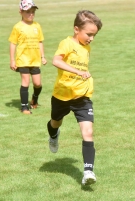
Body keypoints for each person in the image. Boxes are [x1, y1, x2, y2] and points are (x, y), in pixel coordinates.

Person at [47, 10, 102, 185]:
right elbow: (56, 61)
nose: (91, 38)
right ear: (76, 29)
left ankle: (88, 172)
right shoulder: (67, 44)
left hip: (82, 97)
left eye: (94, 35)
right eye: (89, 34)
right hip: (62, 95)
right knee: (55, 122)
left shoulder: (87, 48)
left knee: (88, 133)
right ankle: (54, 136)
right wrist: (78, 71)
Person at [8, 0, 47, 114]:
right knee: (25, 81)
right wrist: (12, 60)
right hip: (23, 59)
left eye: (33, 12)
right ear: (20, 12)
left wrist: (43, 56)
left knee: (37, 84)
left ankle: (34, 99)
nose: (31, 14)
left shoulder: (37, 25)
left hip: (35, 60)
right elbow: (13, 43)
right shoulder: (17, 27)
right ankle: (24, 107)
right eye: (28, 12)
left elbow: (40, 42)